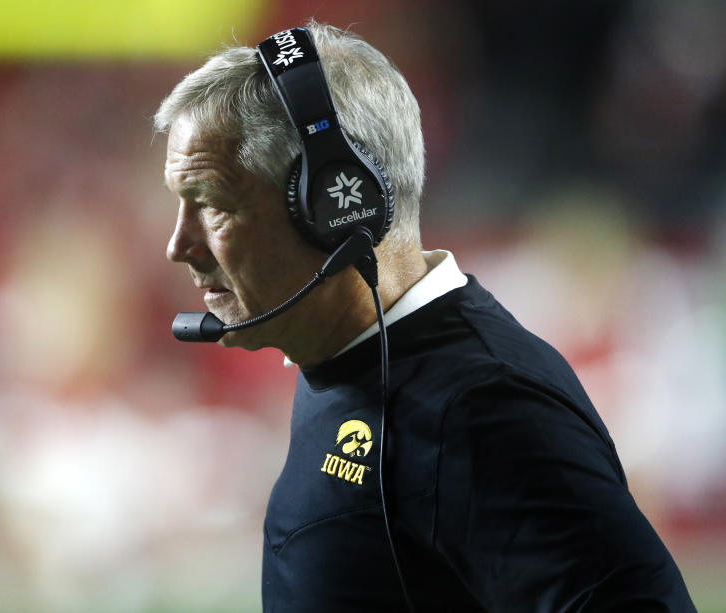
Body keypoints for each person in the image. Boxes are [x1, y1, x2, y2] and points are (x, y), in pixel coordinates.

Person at [155, 21, 695, 612]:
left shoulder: (487, 409)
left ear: (335, 204)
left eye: (211, 205)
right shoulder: (351, 356)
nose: (179, 246)